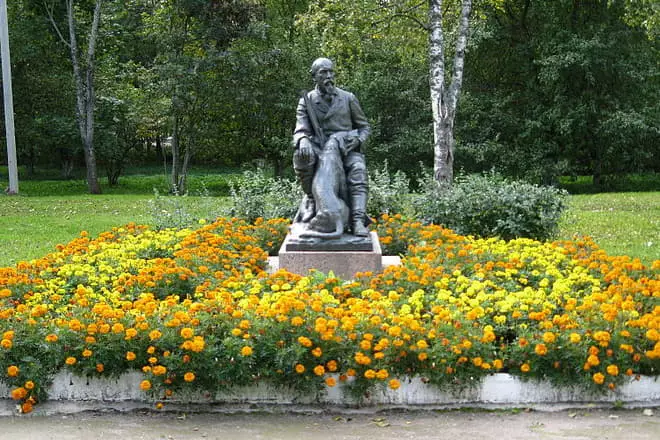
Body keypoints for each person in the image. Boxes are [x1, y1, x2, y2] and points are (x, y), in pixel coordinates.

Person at [292, 57, 371, 237]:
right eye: (323, 72)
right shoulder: (307, 100)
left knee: (358, 170)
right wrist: (303, 140)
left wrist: (358, 141)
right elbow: (300, 129)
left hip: (346, 149)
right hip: (319, 147)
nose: (329, 76)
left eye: (331, 72)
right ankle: (312, 199)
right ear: (314, 77)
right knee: (302, 156)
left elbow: (364, 127)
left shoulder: (348, 98)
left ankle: (358, 220)